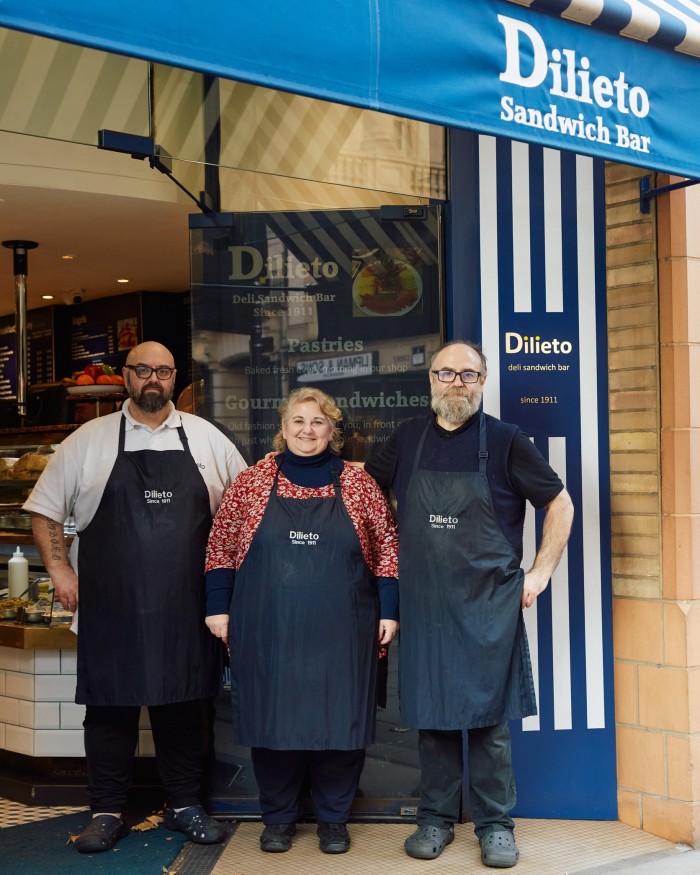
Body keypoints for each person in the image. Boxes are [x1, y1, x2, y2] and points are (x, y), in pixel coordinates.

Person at [24, 341, 247, 854]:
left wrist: (233, 586)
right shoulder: (89, 440)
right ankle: (105, 812)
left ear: (175, 378)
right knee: (109, 712)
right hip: (110, 606)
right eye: (143, 370)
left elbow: (244, 509)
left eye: (163, 371)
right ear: (126, 376)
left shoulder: (208, 439)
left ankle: (186, 805)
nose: (153, 379)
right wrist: (59, 568)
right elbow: (44, 509)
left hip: (187, 607)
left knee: (186, 709)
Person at [364, 341, 574, 869]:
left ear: (483, 381)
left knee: (487, 723)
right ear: (431, 379)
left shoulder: (505, 440)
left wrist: (542, 570)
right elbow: (363, 492)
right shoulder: (408, 438)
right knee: (432, 720)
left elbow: (560, 502)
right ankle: (434, 819)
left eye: (468, 375)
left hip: (488, 602)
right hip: (424, 600)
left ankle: (495, 824)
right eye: (447, 373)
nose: (457, 383)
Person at [204, 386, 399, 855]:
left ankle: (334, 820)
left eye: (318, 422)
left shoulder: (358, 485)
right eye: (298, 421)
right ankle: (278, 819)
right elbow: (220, 548)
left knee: (341, 724)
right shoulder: (251, 483)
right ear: (283, 427)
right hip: (267, 627)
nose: (307, 431)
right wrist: (217, 607)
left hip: (345, 627)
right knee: (273, 726)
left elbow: (387, 549)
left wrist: (389, 609)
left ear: (332, 431)